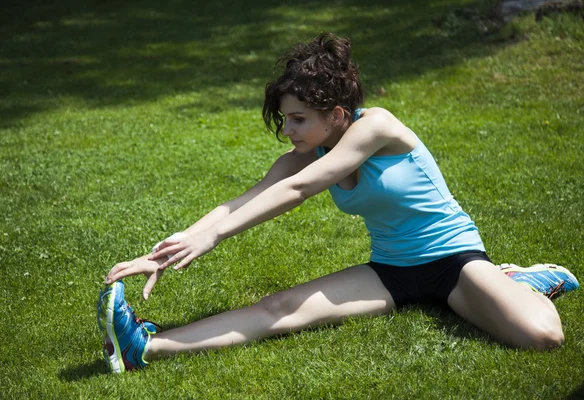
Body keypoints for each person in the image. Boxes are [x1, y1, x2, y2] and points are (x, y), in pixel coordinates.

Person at [98, 33, 579, 373]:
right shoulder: (308, 151)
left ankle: (518, 281)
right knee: (278, 309)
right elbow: (240, 202)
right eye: (285, 119)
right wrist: (164, 251)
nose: (288, 131)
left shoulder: (379, 127)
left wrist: (212, 241)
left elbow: (297, 190)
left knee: (542, 338)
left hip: (453, 259)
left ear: (336, 113)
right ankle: (145, 346)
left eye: (298, 119)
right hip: (391, 268)